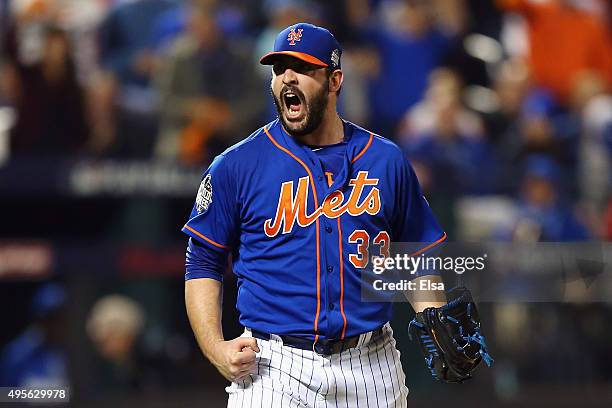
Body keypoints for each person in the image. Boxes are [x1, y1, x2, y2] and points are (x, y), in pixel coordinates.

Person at [183, 23, 449, 407]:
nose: (288, 77)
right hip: (275, 364)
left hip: (371, 363)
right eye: (279, 69)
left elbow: (414, 257)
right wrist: (216, 348)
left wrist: (434, 319)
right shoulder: (236, 165)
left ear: (335, 80)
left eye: (303, 67)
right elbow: (203, 261)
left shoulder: (385, 159)